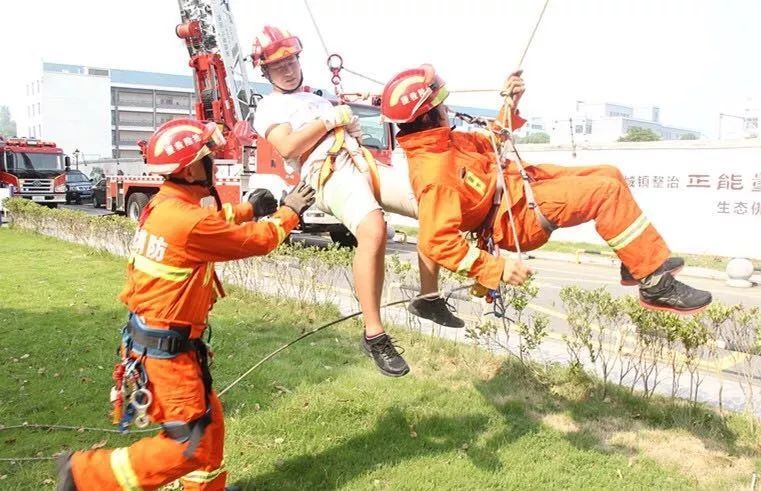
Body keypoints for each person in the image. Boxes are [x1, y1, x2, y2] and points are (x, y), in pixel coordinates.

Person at [56, 118, 316, 490]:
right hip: (168, 353)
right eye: (209, 156)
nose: (213, 162)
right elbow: (255, 240)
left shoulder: (166, 207)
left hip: (165, 345)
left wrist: (247, 208)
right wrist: (289, 210)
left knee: (208, 430)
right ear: (194, 167)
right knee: (189, 445)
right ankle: (84, 474)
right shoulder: (186, 221)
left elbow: (210, 225)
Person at [379, 64, 712, 314]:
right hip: (515, 216)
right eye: (442, 102)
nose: (446, 107)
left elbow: (493, 140)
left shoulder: (443, 142)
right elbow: (436, 241)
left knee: (610, 174)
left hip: (519, 188)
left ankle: (635, 260)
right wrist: (498, 268)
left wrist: (510, 103)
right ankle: (653, 283)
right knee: (604, 193)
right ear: (430, 113)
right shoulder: (434, 172)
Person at [250, 26, 464, 377]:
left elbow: (339, 123)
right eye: (278, 65)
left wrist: (347, 127)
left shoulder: (317, 99)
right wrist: (328, 120)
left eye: (290, 61)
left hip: (358, 158)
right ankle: (374, 333)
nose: (287, 69)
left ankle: (428, 298)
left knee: (432, 203)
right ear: (266, 71)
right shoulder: (270, 106)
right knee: (373, 228)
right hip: (326, 170)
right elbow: (288, 147)